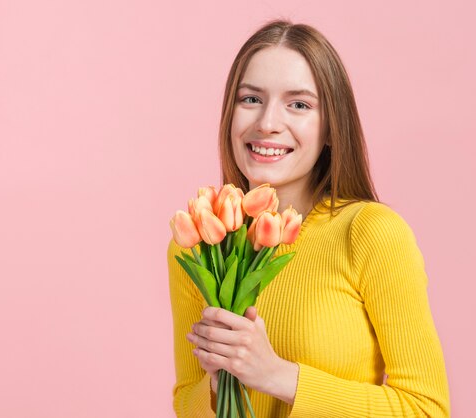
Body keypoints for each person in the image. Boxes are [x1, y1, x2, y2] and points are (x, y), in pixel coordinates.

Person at [167, 19, 450, 417]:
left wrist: (277, 376)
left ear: (332, 127)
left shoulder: (370, 233)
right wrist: (217, 383)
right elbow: (185, 401)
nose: (267, 123)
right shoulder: (201, 240)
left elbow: (426, 410)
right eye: (250, 99)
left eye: (298, 104)